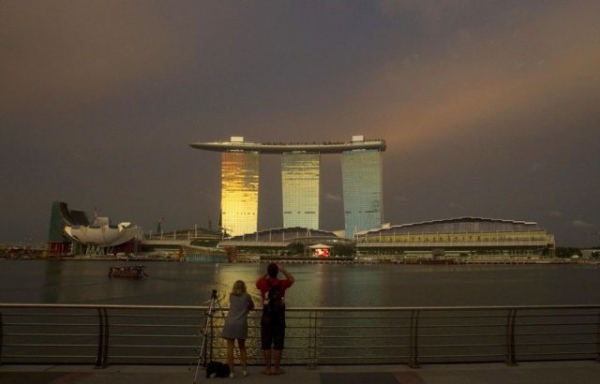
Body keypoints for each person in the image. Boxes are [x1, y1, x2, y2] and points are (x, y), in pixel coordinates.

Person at [256, 263, 295, 375]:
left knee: (266, 344)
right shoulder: (282, 284)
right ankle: (277, 368)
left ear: (268, 272)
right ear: (277, 272)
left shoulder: (263, 283)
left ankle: (268, 369)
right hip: (279, 318)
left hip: (266, 318)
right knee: (278, 345)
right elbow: (292, 279)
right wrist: (283, 270)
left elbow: (257, 282)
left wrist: (266, 274)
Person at [221, 280, 255, 378]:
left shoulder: (231, 296)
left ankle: (231, 371)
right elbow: (252, 306)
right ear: (244, 287)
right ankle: (244, 370)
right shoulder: (247, 296)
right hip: (241, 324)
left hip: (230, 323)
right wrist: (247, 309)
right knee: (242, 347)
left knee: (229, 348)